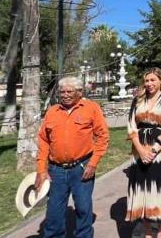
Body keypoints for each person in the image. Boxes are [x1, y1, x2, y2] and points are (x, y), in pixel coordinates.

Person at [35, 76, 110, 238]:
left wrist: (93, 163)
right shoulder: (52, 111)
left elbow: (102, 136)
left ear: (80, 92)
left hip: (82, 168)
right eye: (62, 92)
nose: (65, 95)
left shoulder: (91, 108)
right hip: (56, 171)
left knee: (83, 208)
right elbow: (43, 141)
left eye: (70, 91)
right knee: (54, 212)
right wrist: (41, 169)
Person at [125, 68, 161, 238]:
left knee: (160, 187)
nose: (149, 84)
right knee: (143, 189)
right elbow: (131, 126)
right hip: (139, 148)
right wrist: (141, 150)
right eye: (146, 81)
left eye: (153, 80)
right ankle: (147, 231)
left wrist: (153, 150)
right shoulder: (138, 100)